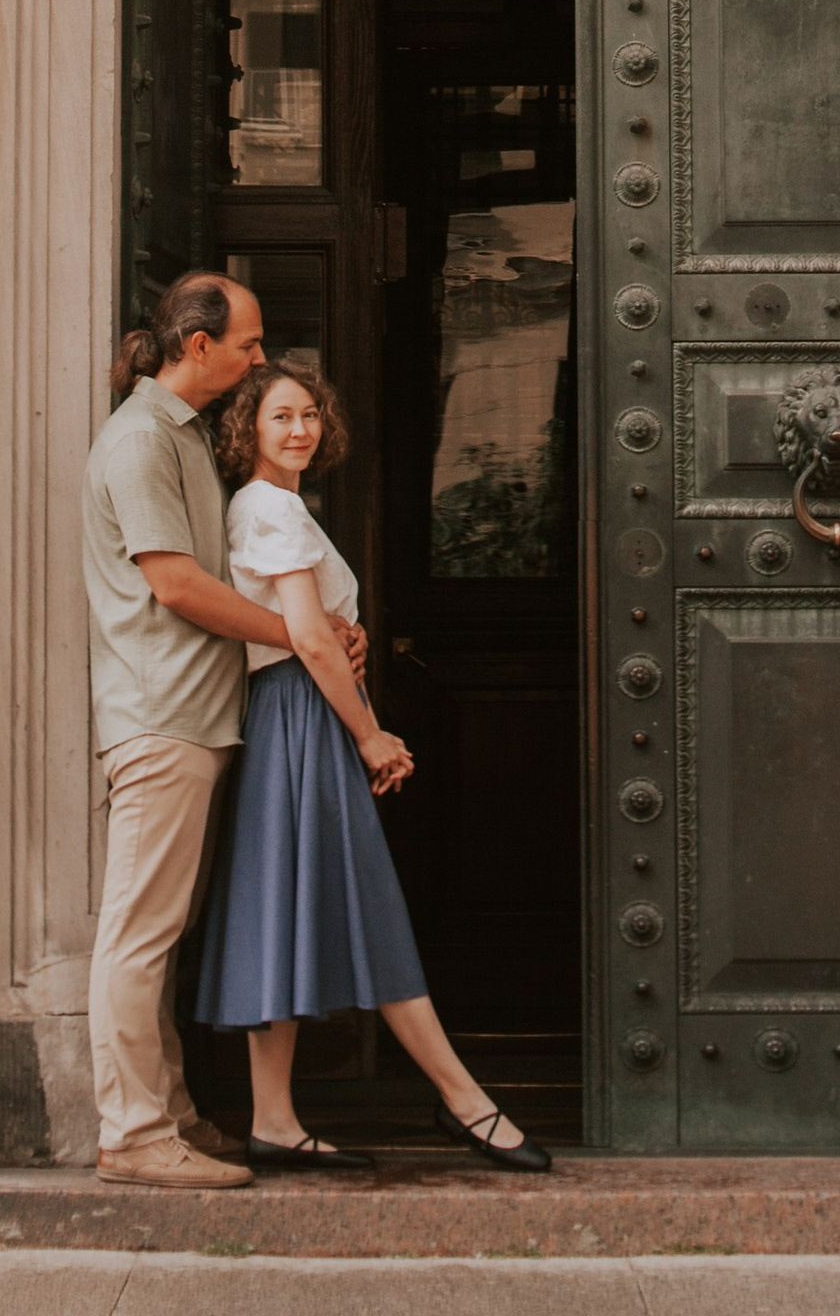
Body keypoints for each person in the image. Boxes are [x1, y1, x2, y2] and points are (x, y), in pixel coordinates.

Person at [191, 355, 552, 1175]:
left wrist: (342, 647)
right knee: (369, 907)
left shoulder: (267, 506)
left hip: (295, 715)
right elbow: (308, 638)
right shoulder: (272, 508)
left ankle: (274, 1118)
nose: (300, 429)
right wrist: (369, 734)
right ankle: (465, 1101)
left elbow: (316, 631)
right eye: (282, 416)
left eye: (310, 414)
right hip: (302, 717)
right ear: (248, 428)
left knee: (285, 905)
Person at [81, 268, 304, 1190]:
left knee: (158, 932)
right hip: (161, 717)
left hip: (190, 718)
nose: (260, 359)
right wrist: (300, 634)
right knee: (139, 934)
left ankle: (167, 1115)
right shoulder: (141, 441)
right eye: (249, 345)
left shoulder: (178, 435)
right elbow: (175, 584)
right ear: (199, 344)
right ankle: (132, 1134)